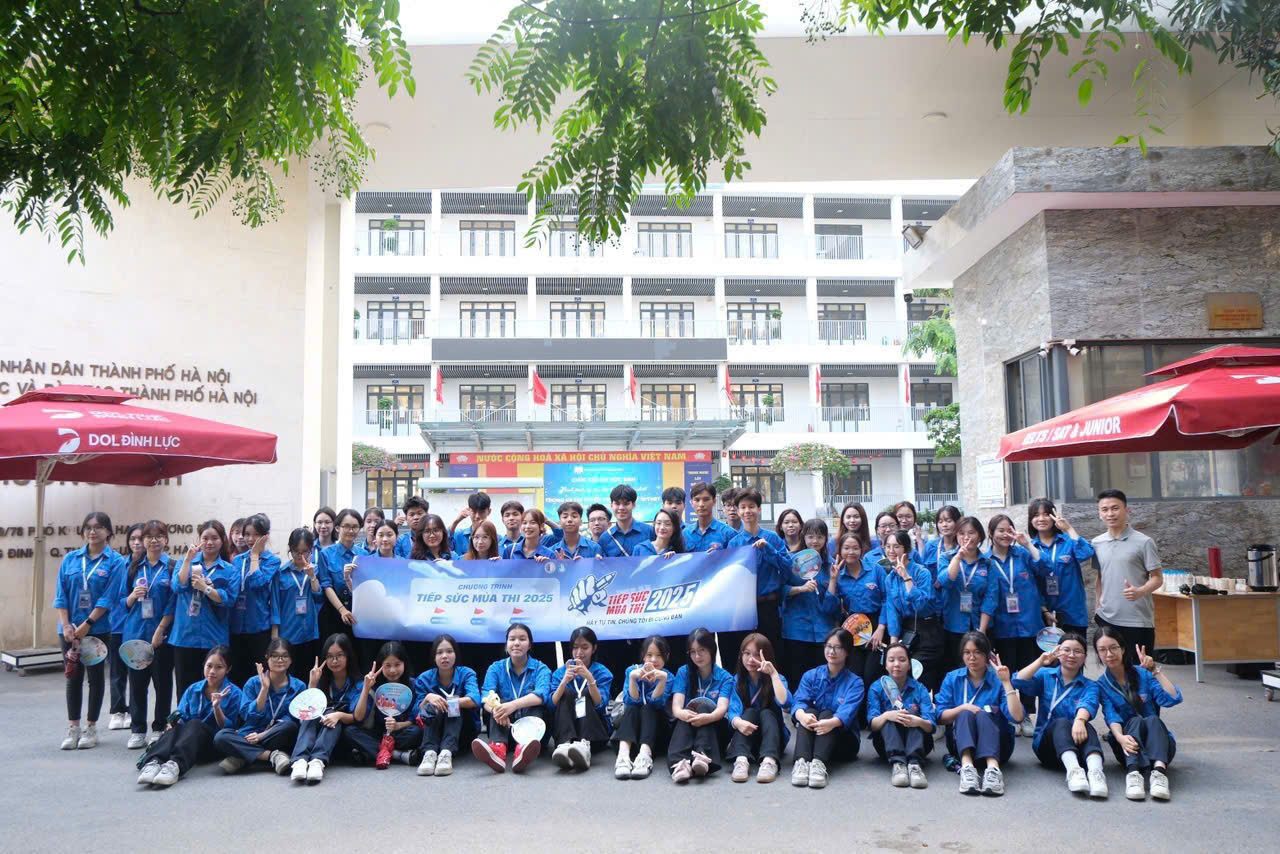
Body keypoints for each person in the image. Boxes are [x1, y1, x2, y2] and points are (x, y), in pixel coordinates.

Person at [53, 511, 127, 750]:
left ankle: (91, 727)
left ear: (108, 531)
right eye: (88, 527)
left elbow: (109, 597)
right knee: (72, 676)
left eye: (98, 527)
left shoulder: (116, 561)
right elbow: (61, 595)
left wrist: (88, 624)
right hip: (69, 630)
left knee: (95, 679)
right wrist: (66, 625)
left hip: (98, 629)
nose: (92, 531)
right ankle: (73, 727)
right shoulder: (71, 559)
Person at [1014, 633, 1107, 798]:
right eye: (1066, 650)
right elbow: (1017, 681)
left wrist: (1080, 720)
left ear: (1085, 656)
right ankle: (1074, 771)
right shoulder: (1046, 675)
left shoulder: (1091, 685)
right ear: (1057, 652)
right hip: (1047, 748)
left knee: (1087, 725)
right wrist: (1040, 661)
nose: (1071, 655)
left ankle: (1096, 773)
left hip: (1078, 745)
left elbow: (1089, 703)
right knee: (1062, 722)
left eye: (1077, 651)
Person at [135, 645, 243, 788]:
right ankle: (154, 762)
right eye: (209, 666)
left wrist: (217, 708)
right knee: (175, 728)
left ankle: (175, 765)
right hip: (187, 743)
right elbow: (181, 717)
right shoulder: (193, 689)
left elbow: (229, 729)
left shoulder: (234, 694)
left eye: (219, 667)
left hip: (212, 745)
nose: (212, 671)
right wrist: (172, 724)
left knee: (195, 724)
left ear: (228, 669)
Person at [1094, 626, 1182, 801]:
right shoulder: (1101, 684)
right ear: (1098, 654)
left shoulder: (1142, 674)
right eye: (1102, 650)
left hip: (1159, 746)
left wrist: (1154, 670)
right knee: (1134, 721)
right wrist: (1120, 737)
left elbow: (1173, 698)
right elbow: (1111, 715)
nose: (1109, 654)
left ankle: (1159, 773)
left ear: (1123, 649)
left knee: (1152, 720)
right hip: (1127, 748)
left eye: (1113, 648)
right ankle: (1133, 774)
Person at [933, 631, 1023, 796]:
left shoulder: (998, 679)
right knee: (964, 712)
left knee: (983, 714)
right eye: (967, 652)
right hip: (961, 746)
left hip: (999, 747)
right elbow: (940, 717)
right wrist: (962, 708)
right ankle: (967, 768)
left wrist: (1006, 682)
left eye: (978, 652)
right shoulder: (953, 678)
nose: (972, 657)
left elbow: (1017, 717)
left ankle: (993, 770)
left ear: (987, 655)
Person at [986, 513, 1048, 736]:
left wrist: (1027, 543)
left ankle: (1028, 714)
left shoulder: (1022, 554)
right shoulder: (986, 560)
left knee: (1028, 669)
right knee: (1007, 670)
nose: (1005, 534)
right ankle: (1012, 714)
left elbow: (1045, 567)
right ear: (991, 533)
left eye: (1009, 530)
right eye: (1000, 530)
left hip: (1029, 623)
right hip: (1001, 625)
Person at [162, 520, 240, 697]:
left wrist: (206, 588)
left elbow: (229, 599)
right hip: (185, 636)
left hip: (213, 638)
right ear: (199, 540)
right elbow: (177, 586)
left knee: (213, 688)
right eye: (205, 538)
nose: (209, 542)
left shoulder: (229, 570)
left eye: (215, 538)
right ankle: (185, 716)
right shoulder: (186, 562)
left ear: (222, 540)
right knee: (184, 689)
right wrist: (188, 560)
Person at [213, 637, 305, 775]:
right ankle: (272, 756)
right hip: (250, 733)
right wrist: (264, 690)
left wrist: (261, 736)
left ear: (291, 659)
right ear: (267, 657)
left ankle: (242, 756)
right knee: (221, 737)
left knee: (290, 726)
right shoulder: (253, 683)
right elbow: (247, 716)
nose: (280, 660)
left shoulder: (299, 686)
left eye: (285, 656)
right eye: (275, 656)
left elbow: (292, 720)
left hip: (276, 734)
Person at [119, 520, 174, 749]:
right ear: (143, 540)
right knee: (137, 685)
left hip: (162, 637)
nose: (154, 540)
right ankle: (138, 729)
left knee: (162, 684)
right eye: (149, 536)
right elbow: (121, 602)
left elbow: (174, 602)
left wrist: (161, 629)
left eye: (159, 536)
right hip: (136, 635)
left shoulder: (171, 567)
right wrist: (133, 596)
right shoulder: (132, 567)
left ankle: (159, 727)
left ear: (165, 540)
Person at [789, 627, 864, 789]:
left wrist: (832, 723)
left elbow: (847, 712)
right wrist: (801, 716)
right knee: (808, 712)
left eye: (838, 647)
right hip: (814, 736)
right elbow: (798, 701)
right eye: (829, 646)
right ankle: (802, 762)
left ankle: (818, 764)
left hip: (843, 742)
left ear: (847, 651)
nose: (831, 651)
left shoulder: (855, 682)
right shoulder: (811, 675)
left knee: (828, 714)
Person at [723, 488, 792, 655]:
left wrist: (768, 549)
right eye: (743, 507)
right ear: (738, 511)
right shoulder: (734, 544)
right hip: (744, 609)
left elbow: (787, 568)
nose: (747, 511)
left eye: (751, 506)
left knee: (772, 652)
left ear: (759, 509)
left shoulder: (772, 538)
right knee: (746, 654)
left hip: (769, 606)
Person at [474, 623, 551, 774]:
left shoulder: (541, 668)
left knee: (534, 703)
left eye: (522, 639)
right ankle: (498, 749)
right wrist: (497, 710)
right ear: (506, 644)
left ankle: (523, 749)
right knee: (496, 702)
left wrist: (514, 705)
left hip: (534, 735)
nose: (516, 643)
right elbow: (485, 697)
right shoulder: (495, 668)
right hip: (506, 726)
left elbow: (542, 694)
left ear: (530, 645)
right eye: (512, 639)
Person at [1092, 489, 1163, 653]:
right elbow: (1100, 577)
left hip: (1137, 620)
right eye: (1105, 509)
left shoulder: (1144, 542)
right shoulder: (1096, 543)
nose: (1110, 514)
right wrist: (1097, 608)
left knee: (1139, 666)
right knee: (1111, 665)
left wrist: (1140, 591)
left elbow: (1157, 578)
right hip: (1106, 618)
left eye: (1115, 508)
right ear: (1100, 514)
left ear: (1126, 510)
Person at [289, 633, 362, 783]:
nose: (334, 661)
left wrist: (338, 715)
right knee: (310, 713)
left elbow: (357, 717)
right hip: (318, 731)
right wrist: (312, 683)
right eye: (329, 656)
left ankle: (317, 761)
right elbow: (307, 707)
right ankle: (300, 761)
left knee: (332, 715)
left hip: (342, 734)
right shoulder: (322, 680)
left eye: (339, 655)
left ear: (348, 656)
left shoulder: (358, 684)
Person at [668, 627, 733, 783]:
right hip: (688, 725)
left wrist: (707, 718)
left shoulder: (725, 677)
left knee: (703, 706)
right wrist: (683, 714)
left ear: (712, 650)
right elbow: (676, 707)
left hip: (715, 728)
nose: (697, 656)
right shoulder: (683, 672)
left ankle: (702, 755)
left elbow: (721, 709)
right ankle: (680, 763)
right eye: (693, 652)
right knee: (687, 711)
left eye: (702, 650)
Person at [883, 530, 944, 692]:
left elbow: (921, 605)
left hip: (927, 631)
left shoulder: (921, 572)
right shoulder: (890, 578)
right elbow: (892, 610)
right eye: (888, 546)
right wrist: (893, 643)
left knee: (916, 673)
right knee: (897, 671)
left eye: (896, 546)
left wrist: (906, 578)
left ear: (907, 549)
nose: (891, 550)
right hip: (907, 631)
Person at [868, 642, 936, 789]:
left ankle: (914, 765)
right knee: (889, 716)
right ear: (885, 664)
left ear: (909, 665)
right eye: (891, 660)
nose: (896, 664)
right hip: (886, 745)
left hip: (920, 744)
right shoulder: (876, 687)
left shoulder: (920, 688)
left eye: (902, 660)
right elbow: (872, 724)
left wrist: (918, 721)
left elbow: (931, 726)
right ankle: (898, 764)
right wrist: (887, 716)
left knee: (912, 713)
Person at [345, 641, 422, 769]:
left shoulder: (413, 684)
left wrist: (398, 725)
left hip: (400, 732)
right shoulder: (374, 685)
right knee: (350, 731)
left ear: (404, 664)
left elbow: (415, 718)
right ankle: (397, 754)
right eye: (387, 665)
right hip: (378, 733)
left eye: (397, 664)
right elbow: (358, 716)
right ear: (381, 666)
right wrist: (366, 688)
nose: (392, 670)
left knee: (416, 732)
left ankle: (374, 753)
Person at [827, 531, 888, 691]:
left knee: (871, 675)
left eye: (855, 548)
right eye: (846, 548)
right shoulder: (838, 575)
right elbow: (830, 607)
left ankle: (873, 707)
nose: (851, 552)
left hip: (876, 626)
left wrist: (881, 628)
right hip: (852, 628)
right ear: (840, 551)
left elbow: (887, 600)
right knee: (855, 676)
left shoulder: (876, 570)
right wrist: (833, 580)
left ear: (861, 550)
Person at [726, 633, 791, 783]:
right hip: (748, 735)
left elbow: (785, 703)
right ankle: (741, 760)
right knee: (749, 712)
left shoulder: (777, 678)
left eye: (757, 655)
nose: (751, 659)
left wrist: (773, 674)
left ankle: (769, 761)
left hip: (773, 738)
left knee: (767, 712)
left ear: (766, 656)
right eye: (747, 653)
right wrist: (738, 722)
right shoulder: (737, 680)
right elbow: (733, 710)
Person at [780, 518, 837, 686]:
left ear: (826, 539)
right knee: (796, 678)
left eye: (820, 537)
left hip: (823, 631)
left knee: (822, 679)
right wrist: (800, 589)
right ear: (803, 537)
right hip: (797, 630)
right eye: (810, 536)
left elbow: (832, 606)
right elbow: (779, 591)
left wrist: (833, 581)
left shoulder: (831, 565)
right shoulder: (791, 561)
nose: (815, 541)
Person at [413, 633, 480, 777]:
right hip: (433, 729)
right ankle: (430, 753)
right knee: (431, 705)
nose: (444, 656)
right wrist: (428, 698)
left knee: (453, 704)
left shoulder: (467, 673)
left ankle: (446, 753)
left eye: (449, 651)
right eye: (439, 652)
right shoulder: (424, 678)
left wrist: (449, 702)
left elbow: (475, 699)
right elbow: (415, 712)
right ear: (434, 656)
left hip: (463, 731)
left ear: (456, 654)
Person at [938, 517, 998, 673]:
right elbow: (945, 581)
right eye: (961, 533)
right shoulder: (946, 558)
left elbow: (991, 598)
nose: (966, 537)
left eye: (971, 533)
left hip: (980, 625)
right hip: (954, 625)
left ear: (979, 536)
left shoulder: (988, 563)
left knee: (982, 671)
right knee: (956, 672)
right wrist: (957, 557)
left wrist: (982, 632)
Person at [1028, 500, 1096, 639]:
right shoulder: (1029, 548)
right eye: (1036, 515)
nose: (1041, 519)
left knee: (1075, 651)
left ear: (1054, 517)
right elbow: (1031, 584)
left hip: (1072, 612)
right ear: (1031, 520)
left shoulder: (1068, 541)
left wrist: (1068, 528)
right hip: (1044, 614)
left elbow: (1086, 553)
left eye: (1046, 514)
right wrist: (1044, 610)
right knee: (1049, 653)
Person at [549, 627, 613, 771]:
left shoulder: (602, 672)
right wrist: (564, 682)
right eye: (575, 647)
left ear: (594, 648)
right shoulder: (561, 672)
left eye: (585, 647)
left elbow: (601, 704)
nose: (579, 652)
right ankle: (565, 745)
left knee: (585, 692)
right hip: (568, 729)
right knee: (566, 692)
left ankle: (584, 747)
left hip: (594, 733)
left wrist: (590, 679)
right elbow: (551, 704)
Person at [614, 635, 673, 780]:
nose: (653, 659)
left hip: (655, 733)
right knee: (632, 708)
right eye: (649, 655)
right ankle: (623, 756)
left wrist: (661, 680)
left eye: (659, 655)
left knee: (648, 708)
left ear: (666, 656)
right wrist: (633, 679)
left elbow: (657, 703)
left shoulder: (668, 676)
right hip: (632, 730)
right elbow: (631, 701)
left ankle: (645, 756)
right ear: (643, 656)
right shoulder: (631, 671)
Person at [229, 513, 279, 684]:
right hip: (236, 626)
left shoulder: (272, 561)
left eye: (256, 534)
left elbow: (257, 583)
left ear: (266, 536)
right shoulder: (237, 561)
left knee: (258, 677)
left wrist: (255, 556)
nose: (250, 539)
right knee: (236, 676)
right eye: (247, 534)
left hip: (259, 626)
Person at [271, 528, 326, 681]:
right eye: (296, 552)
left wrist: (312, 577)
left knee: (308, 674)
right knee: (289, 675)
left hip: (310, 631)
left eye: (305, 552)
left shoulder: (315, 569)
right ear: (290, 549)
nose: (301, 556)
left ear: (311, 550)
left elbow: (319, 598)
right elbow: (275, 603)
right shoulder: (280, 573)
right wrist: (275, 632)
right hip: (288, 631)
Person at [108, 522, 145, 733]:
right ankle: (117, 710)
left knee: (137, 672)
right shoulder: (120, 565)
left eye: (140, 538)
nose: (137, 543)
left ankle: (133, 711)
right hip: (118, 625)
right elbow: (114, 595)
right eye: (133, 539)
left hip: (140, 627)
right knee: (117, 671)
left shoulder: (152, 565)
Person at [318, 508, 362, 640]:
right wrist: (342, 610)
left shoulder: (363, 554)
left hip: (357, 611)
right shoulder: (326, 554)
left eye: (355, 527)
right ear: (337, 528)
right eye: (346, 526)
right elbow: (326, 586)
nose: (351, 531)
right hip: (334, 611)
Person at [682, 482, 735, 553]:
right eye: (697, 500)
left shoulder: (728, 533)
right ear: (691, 503)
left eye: (706, 499)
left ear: (714, 501)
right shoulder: (685, 534)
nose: (701, 504)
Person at [607, 484, 655, 555]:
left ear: (633, 505)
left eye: (626, 504)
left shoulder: (650, 532)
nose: (621, 508)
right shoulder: (605, 538)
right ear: (611, 505)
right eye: (617, 503)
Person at [922, 503, 962, 588]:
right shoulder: (930, 546)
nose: (944, 525)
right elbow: (923, 573)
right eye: (940, 522)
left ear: (958, 522)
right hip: (934, 594)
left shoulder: (963, 548)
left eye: (948, 521)